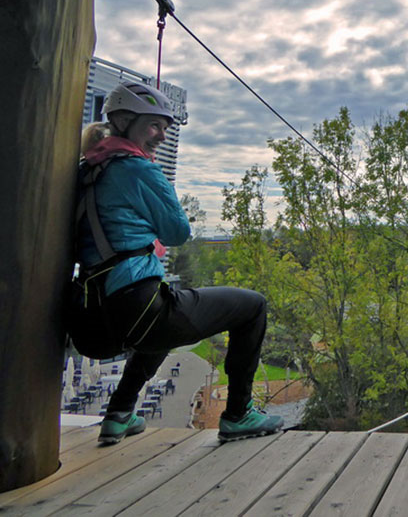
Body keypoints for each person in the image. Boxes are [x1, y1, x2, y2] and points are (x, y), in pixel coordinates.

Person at [73, 81, 282, 444]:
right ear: (123, 120)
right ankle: (238, 414)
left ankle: (120, 414)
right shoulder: (138, 169)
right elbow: (176, 231)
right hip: (137, 304)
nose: (161, 135)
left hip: (95, 313)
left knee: (167, 323)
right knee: (252, 306)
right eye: (153, 125)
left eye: (166, 127)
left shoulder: (90, 168)